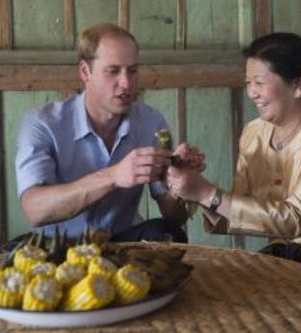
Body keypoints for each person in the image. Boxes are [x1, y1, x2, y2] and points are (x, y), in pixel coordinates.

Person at [166, 32, 301, 284]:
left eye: (259, 82)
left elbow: (294, 220)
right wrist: (194, 186)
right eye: (248, 83)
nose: (251, 93)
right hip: (288, 257)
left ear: (298, 86)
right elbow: (240, 212)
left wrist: (206, 193)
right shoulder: (254, 133)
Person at [15, 22, 203, 243]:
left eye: (132, 71)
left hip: (121, 241)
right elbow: (35, 211)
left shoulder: (151, 122)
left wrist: (181, 183)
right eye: (113, 71)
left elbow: (174, 217)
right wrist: (114, 176)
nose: (126, 83)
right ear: (86, 72)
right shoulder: (42, 123)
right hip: (58, 245)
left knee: (168, 232)